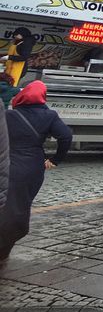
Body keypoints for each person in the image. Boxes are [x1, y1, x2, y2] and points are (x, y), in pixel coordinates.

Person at [0, 81, 72, 261]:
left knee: (5, 204)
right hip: (31, 168)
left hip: (8, 163)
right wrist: (55, 160)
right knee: (20, 206)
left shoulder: (10, 114)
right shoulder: (50, 116)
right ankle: (5, 247)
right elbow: (66, 136)